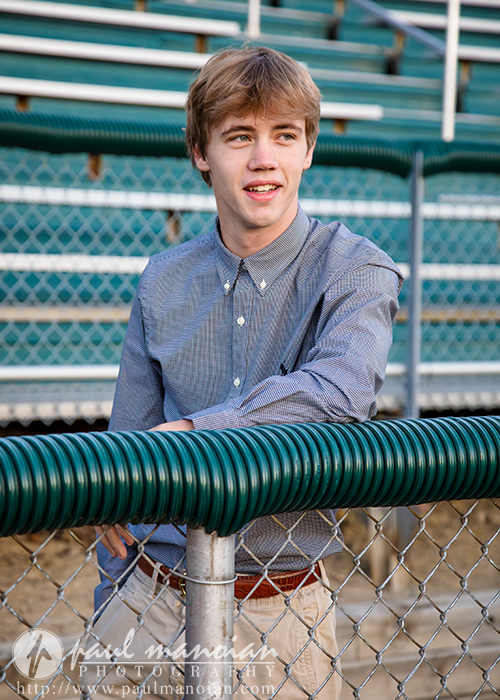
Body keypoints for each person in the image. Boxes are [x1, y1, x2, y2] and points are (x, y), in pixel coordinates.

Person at [87, 45, 402, 700]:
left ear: (308, 149)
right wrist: (109, 608)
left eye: (284, 136)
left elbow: (338, 396)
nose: (265, 158)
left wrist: (197, 433)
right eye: (239, 136)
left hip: (280, 611)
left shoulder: (356, 269)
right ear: (202, 153)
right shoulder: (160, 280)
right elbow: (122, 484)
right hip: (150, 598)